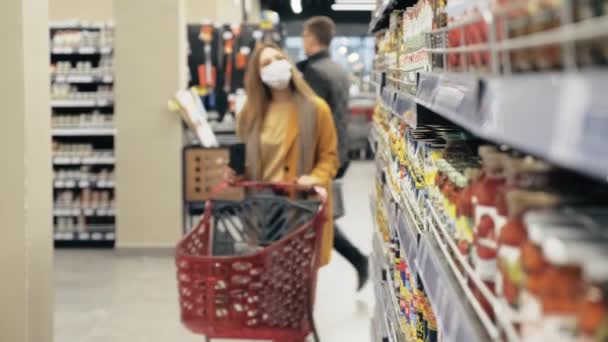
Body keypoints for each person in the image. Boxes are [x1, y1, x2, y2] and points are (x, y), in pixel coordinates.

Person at [232, 43, 340, 267]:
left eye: (278, 58)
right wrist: (234, 173)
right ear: (258, 75)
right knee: (263, 279)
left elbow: (329, 157)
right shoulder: (249, 115)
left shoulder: (316, 109)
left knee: (295, 281)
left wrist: (315, 177)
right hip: (262, 211)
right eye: (266, 63)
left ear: (288, 62)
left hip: (300, 208)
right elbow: (243, 160)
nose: (274, 65)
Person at [297, 16, 369, 290]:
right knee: (320, 215)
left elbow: (310, 120)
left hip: (322, 157)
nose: (303, 40)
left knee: (314, 216)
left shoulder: (314, 73)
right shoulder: (336, 70)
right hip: (341, 151)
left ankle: (357, 260)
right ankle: (358, 261)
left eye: (304, 35)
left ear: (313, 38)